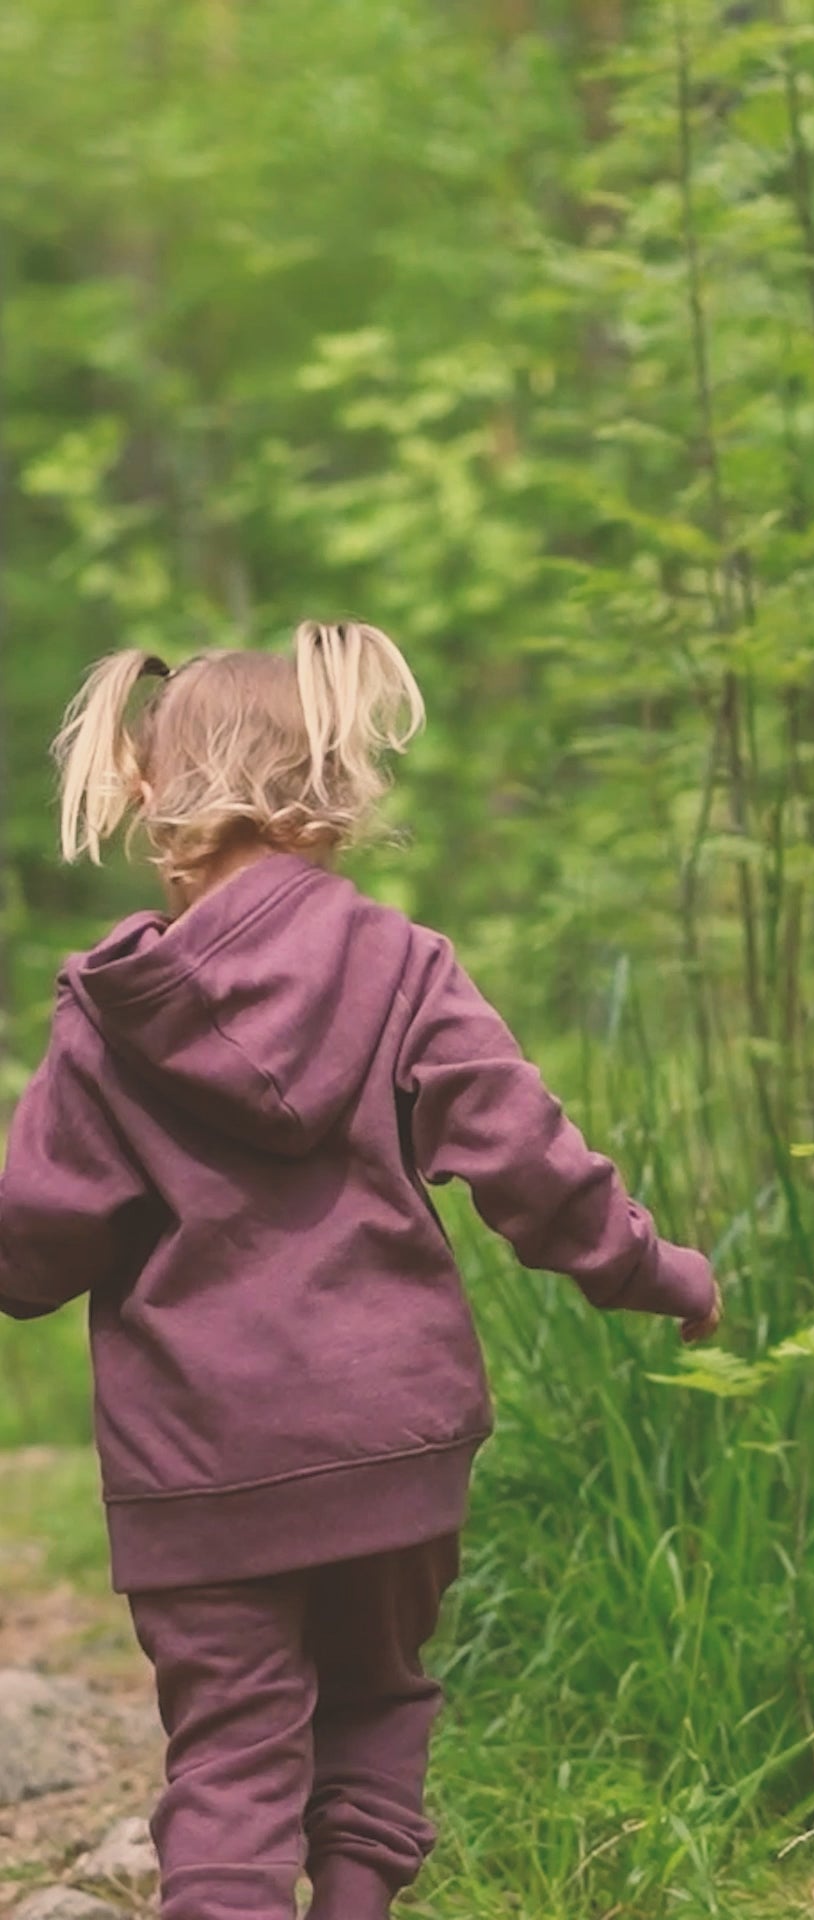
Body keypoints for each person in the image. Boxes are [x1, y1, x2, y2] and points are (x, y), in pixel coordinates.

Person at [0, 622, 722, 1920]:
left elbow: (29, 1246)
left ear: (148, 789)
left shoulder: (106, 1019)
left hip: (198, 1470)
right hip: (394, 1446)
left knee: (227, 1760)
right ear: (331, 788)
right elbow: (534, 1169)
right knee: (379, 1698)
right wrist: (652, 1269)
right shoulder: (404, 968)